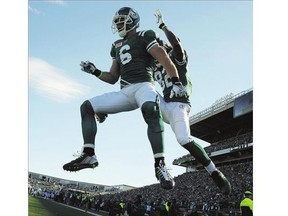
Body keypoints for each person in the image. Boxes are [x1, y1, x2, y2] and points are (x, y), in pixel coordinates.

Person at [63, 7, 187, 190]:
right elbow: (113, 77)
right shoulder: (116, 46)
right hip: (125, 92)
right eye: (117, 21)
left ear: (132, 21)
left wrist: (176, 81)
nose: (118, 24)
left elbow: (163, 57)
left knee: (151, 111)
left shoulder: (145, 35)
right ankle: (89, 154)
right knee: (86, 106)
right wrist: (95, 71)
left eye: (121, 21)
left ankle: (160, 166)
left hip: (144, 86)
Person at [152, 9, 231, 195]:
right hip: (164, 105)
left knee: (183, 139)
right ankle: (160, 165)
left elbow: (177, 46)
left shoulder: (175, 58)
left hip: (179, 105)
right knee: (143, 91)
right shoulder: (153, 65)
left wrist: (163, 26)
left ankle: (215, 172)